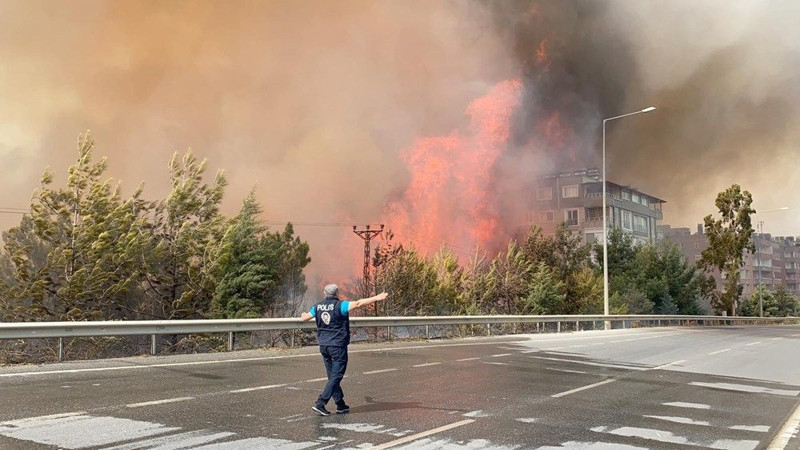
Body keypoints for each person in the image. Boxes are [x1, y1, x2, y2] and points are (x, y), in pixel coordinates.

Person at [300, 284, 388, 416]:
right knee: (336, 376)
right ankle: (320, 402)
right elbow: (358, 303)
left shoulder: (317, 306)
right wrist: (377, 297)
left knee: (332, 376)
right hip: (337, 346)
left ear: (325, 293)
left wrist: (304, 314)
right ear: (337, 293)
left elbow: (305, 318)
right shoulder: (340, 305)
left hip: (324, 346)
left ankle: (340, 404)